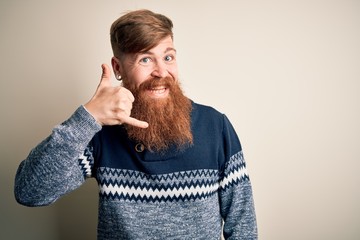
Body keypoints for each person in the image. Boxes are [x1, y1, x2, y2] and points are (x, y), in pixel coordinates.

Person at [14, 9, 257, 239]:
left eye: (168, 57)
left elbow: (243, 224)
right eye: (145, 60)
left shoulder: (216, 126)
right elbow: (30, 192)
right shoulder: (98, 132)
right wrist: (88, 117)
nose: (161, 72)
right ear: (118, 68)